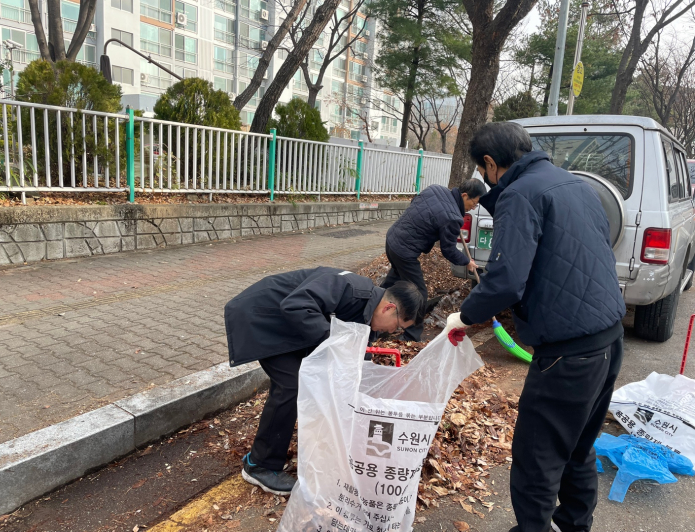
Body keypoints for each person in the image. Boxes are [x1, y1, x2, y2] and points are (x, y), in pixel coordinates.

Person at [444, 122, 625, 532]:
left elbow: (506, 279)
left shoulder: (521, 195)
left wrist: (466, 316)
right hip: (609, 339)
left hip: (567, 352)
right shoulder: (576, 185)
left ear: (490, 164)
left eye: (485, 170)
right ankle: (573, 525)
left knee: (536, 458)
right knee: (578, 448)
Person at [224, 267, 425, 495]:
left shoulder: (369, 305)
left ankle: (300, 450)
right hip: (262, 316)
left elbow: (360, 344)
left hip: (288, 325)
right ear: (389, 308)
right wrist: (336, 344)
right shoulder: (351, 289)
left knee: (313, 379)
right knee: (292, 385)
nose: (393, 332)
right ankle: (259, 465)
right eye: (397, 327)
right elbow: (295, 306)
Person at [382, 179, 486, 341]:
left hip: (393, 239)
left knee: (391, 284)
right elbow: (449, 250)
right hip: (404, 251)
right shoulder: (452, 218)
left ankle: (370, 316)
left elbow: (415, 201)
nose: (474, 207)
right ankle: (411, 335)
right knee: (420, 293)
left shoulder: (435, 189)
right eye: (474, 202)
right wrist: (467, 262)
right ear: (464, 195)